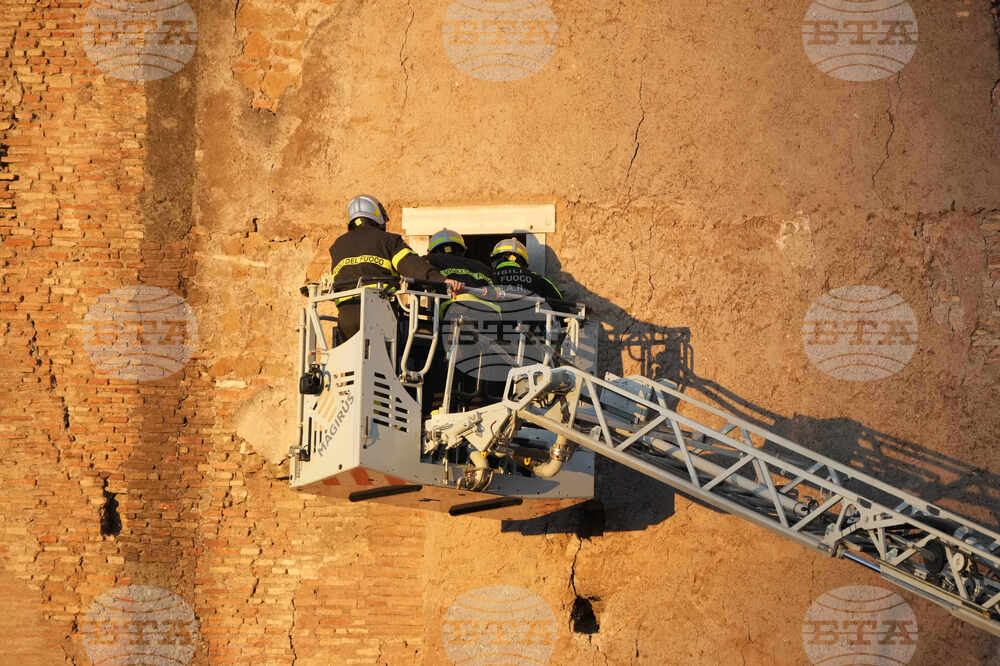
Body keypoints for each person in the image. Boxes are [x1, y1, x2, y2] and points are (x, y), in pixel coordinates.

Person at [329, 195, 462, 340]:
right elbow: (413, 266)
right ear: (377, 216)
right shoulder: (388, 241)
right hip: (378, 314)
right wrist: (442, 281)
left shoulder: (337, 246)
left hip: (346, 319)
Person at [489, 237, 562, 303]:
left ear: (495, 259)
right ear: (523, 261)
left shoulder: (487, 279)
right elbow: (560, 305)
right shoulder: (540, 280)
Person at [425, 229, 494, 288]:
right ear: (463, 251)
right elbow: (496, 290)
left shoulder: (427, 262)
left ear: (430, 252)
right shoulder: (481, 266)